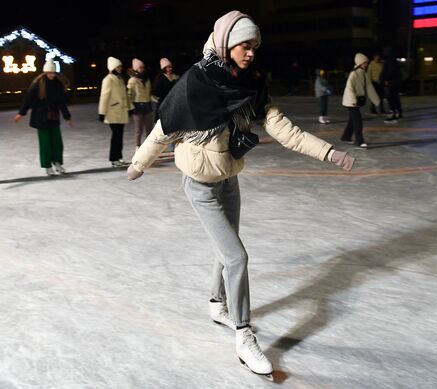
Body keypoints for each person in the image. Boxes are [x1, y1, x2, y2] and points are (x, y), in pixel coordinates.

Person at [126, 10, 355, 378]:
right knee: (236, 257)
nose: (250, 53)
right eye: (244, 45)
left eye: (254, 47)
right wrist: (139, 164)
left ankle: (217, 303)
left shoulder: (252, 84)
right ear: (225, 43)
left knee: (227, 249)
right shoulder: (194, 84)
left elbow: (286, 130)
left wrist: (330, 152)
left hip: (229, 180)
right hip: (199, 185)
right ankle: (243, 335)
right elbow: (163, 129)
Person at [14, 60, 73, 176]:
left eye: (53, 72)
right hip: (40, 117)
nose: (51, 75)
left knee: (57, 143)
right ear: (45, 72)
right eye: (49, 72)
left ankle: (57, 163)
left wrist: (67, 117)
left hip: (54, 117)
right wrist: (21, 113)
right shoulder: (38, 84)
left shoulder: (58, 84)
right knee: (45, 143)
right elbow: (28, 100)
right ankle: (47, 166)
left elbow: (62, 103)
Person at [98, 56, 134, 167]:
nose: (120, 68)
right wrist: (102, 112)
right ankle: (114, 159)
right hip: (113, 112)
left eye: (120, 66)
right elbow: (104, 96)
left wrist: (129, 107)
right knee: (116, 136)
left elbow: (125, 96)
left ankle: (119, 157)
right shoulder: (108, 80)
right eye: (118, 66)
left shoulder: (119, 78)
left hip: (121, 111)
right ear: (113, 67)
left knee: (119, 136)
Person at [341, 53, 376, 148]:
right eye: (365, 63)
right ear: (360, 63)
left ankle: (346, 136)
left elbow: (369, 87)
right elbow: (349, 88)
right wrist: (353, 100)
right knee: (358, 121)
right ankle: (359, 141)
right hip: (351, 101)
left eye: (367, 63)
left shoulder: (364, 73)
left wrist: (376, 100)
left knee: (353, 120)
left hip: (355, 100)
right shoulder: (354, 73)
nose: (366, 65)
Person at [127, 58, 153, 150]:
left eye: (143, 67)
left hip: (147, 105)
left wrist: (155, 98)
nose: (142, 69)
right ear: (135, 69)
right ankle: (138, 146)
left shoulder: (146, 79)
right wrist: (129, 107)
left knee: (149, 128)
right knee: (139, 129)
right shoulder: (132, 80)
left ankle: (149, 147)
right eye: (140, 68)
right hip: (137, 106)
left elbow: (149, 92)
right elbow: (129, 94)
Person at [152, 58, 179, 122]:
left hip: (173, 102)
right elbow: (156, 91)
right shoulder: (160, 78)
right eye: (167, 67)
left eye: (170, 67)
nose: (170, 69)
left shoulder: (175, 77)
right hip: (163, 102)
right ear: (164, 68)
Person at [380, 47, 403, 124]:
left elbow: (390, 71)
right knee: (395, 97)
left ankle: (393, 113)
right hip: (395, 82)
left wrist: (386, 79)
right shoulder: (393, 60)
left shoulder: (390, 60)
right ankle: (398, 112)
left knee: (391, 98)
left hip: (392, 82)